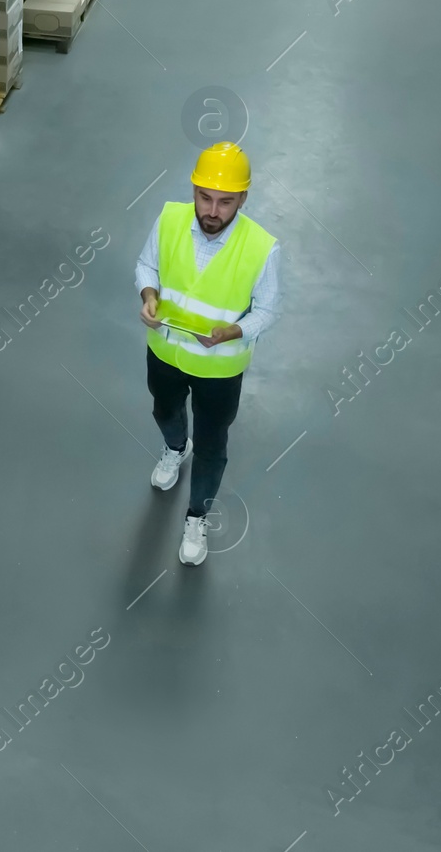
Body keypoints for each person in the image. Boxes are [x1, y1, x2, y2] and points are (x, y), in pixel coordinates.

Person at [135, 142, 280, 566]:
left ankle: (197, 516)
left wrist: (235, 330)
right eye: (205, 197)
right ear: (194, 189)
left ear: (243, 199)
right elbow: (147, 266)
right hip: (165, 353)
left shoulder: (262, 248)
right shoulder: (169, 220)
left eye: (225, 201)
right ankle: (176, 447)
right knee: (164, 411)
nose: (212, 211)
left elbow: (268, 310)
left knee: (214, 445)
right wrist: (148, 295)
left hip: (220, 369)